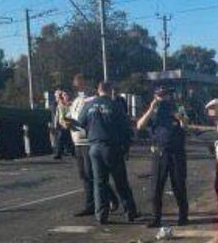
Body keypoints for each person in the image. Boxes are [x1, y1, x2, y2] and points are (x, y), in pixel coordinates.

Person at [77, 81, 138, 224]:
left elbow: (80, 122)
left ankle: (101, 215)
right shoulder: (114, 105)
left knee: (99, 183)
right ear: (110, 90)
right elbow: (125, 127)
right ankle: (130, 212)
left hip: (94, 147)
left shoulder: (89, 105)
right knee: (120, 181)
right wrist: (126, 146)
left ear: (98, 91)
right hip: (112, 147)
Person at [136, 86, 189, 228]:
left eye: (164, 95)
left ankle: (183, 216)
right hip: (160, 152)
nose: (162, 98)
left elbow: (186, 126)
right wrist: (151, 109)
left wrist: (181, 119)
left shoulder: (177, 107)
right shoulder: (154, 111)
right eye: (159, 96)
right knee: (157, 186)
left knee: (179, 184)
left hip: (176, 151)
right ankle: (156, 218)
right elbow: (140, 126)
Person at [67, 73, 119, 216]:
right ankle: (101, 201)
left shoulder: (91, 99)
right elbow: (74, 117)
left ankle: (97, 203)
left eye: (79, 82)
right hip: (76, 140)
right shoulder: (76, 101)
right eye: (75, 83)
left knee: (93, 175)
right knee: (84, 175)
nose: (76, 85)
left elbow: (89, 117)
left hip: (88, 140)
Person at [52, 90, 74, 159]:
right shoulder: (60, 105)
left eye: (66, 95)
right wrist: (56, 124)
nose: (65, 96)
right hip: (62, 123)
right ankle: (58, 153)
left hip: (70, 122)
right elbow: (57, 115)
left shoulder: (71, 104)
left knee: (70, 138)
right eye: (64, 95)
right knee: (60, 138)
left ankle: (72, 151)